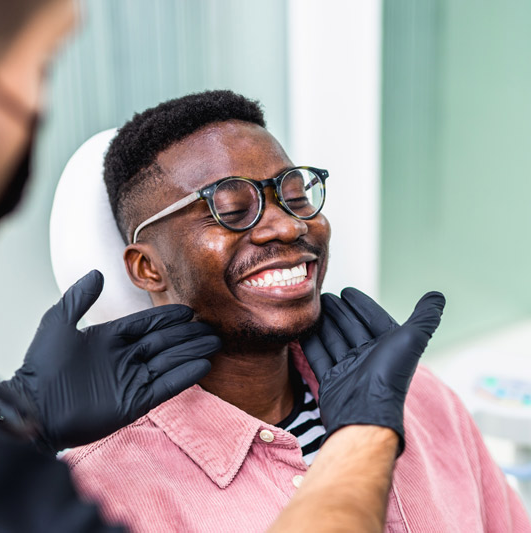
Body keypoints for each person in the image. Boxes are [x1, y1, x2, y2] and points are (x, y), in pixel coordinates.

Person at [0, 1, 461, 531]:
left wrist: (12, 420)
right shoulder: (19, 498)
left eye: (293, 193)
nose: (280, 223)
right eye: (39, 71)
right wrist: (364, 436)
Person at [62, 90, 531, 532]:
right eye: (230, 207)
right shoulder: (96, 493)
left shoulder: (418, 399)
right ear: (147, 268)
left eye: (296, 195)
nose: (288, 225)